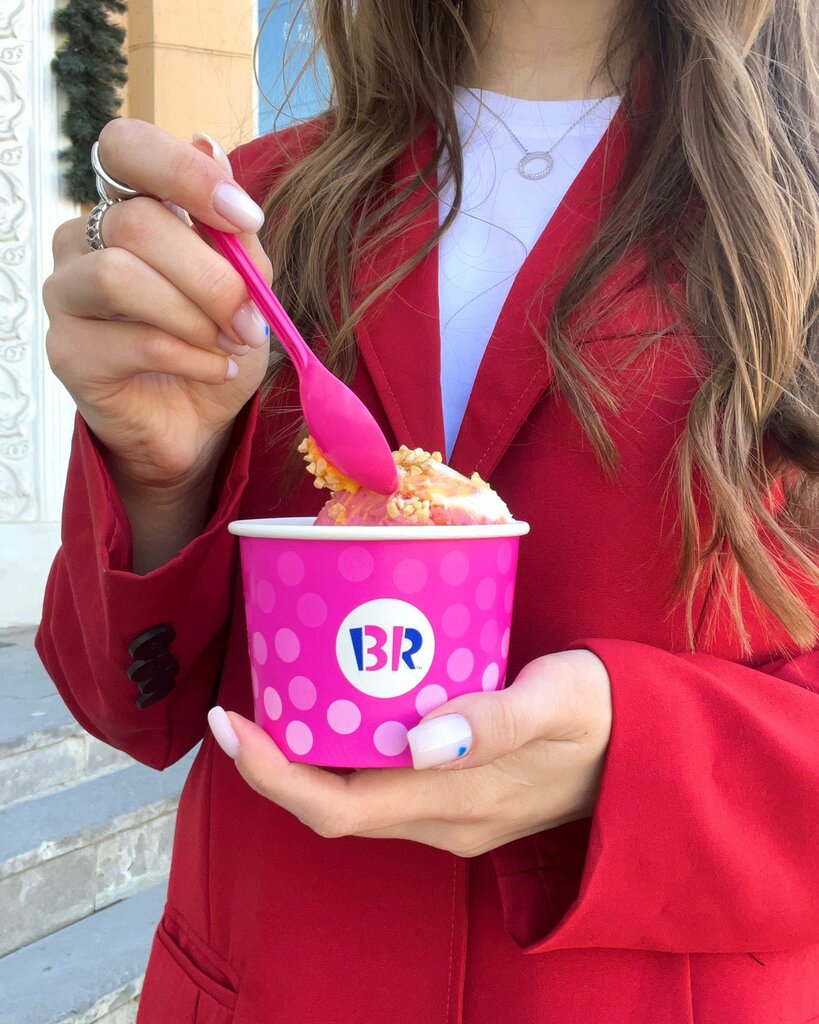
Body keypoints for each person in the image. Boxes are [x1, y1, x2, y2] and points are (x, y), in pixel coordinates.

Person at [37, 0, 819, 1020]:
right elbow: (123, 707)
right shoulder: (249, 219)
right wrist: (157, 481)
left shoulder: (795, 222)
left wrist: (645, 759)